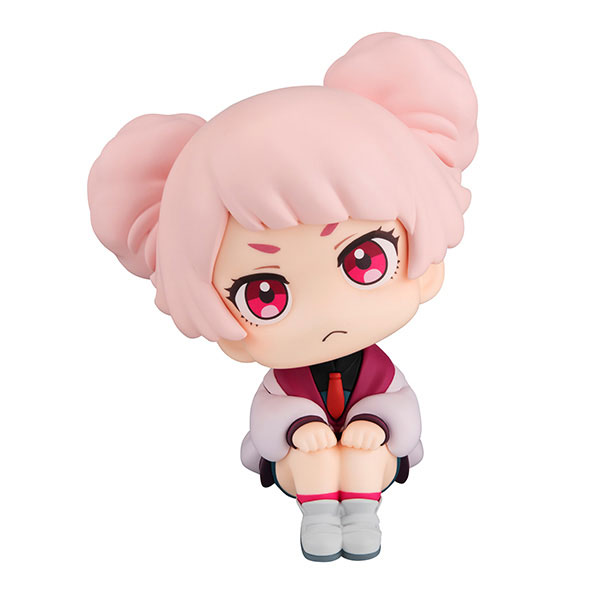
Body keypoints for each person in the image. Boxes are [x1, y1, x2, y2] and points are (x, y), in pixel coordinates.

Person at [88, 32, 478, 561]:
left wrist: (376, 423)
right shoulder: (285, 382)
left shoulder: (377, 370)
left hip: (372, 459)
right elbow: (266, 425)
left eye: (364, 259)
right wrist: (298, 427)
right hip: (296, 461)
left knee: (364, 458)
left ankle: (362, 513)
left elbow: (404, 415)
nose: (327, 312)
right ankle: (318, 516)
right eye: (264, 293)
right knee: (313, 461)